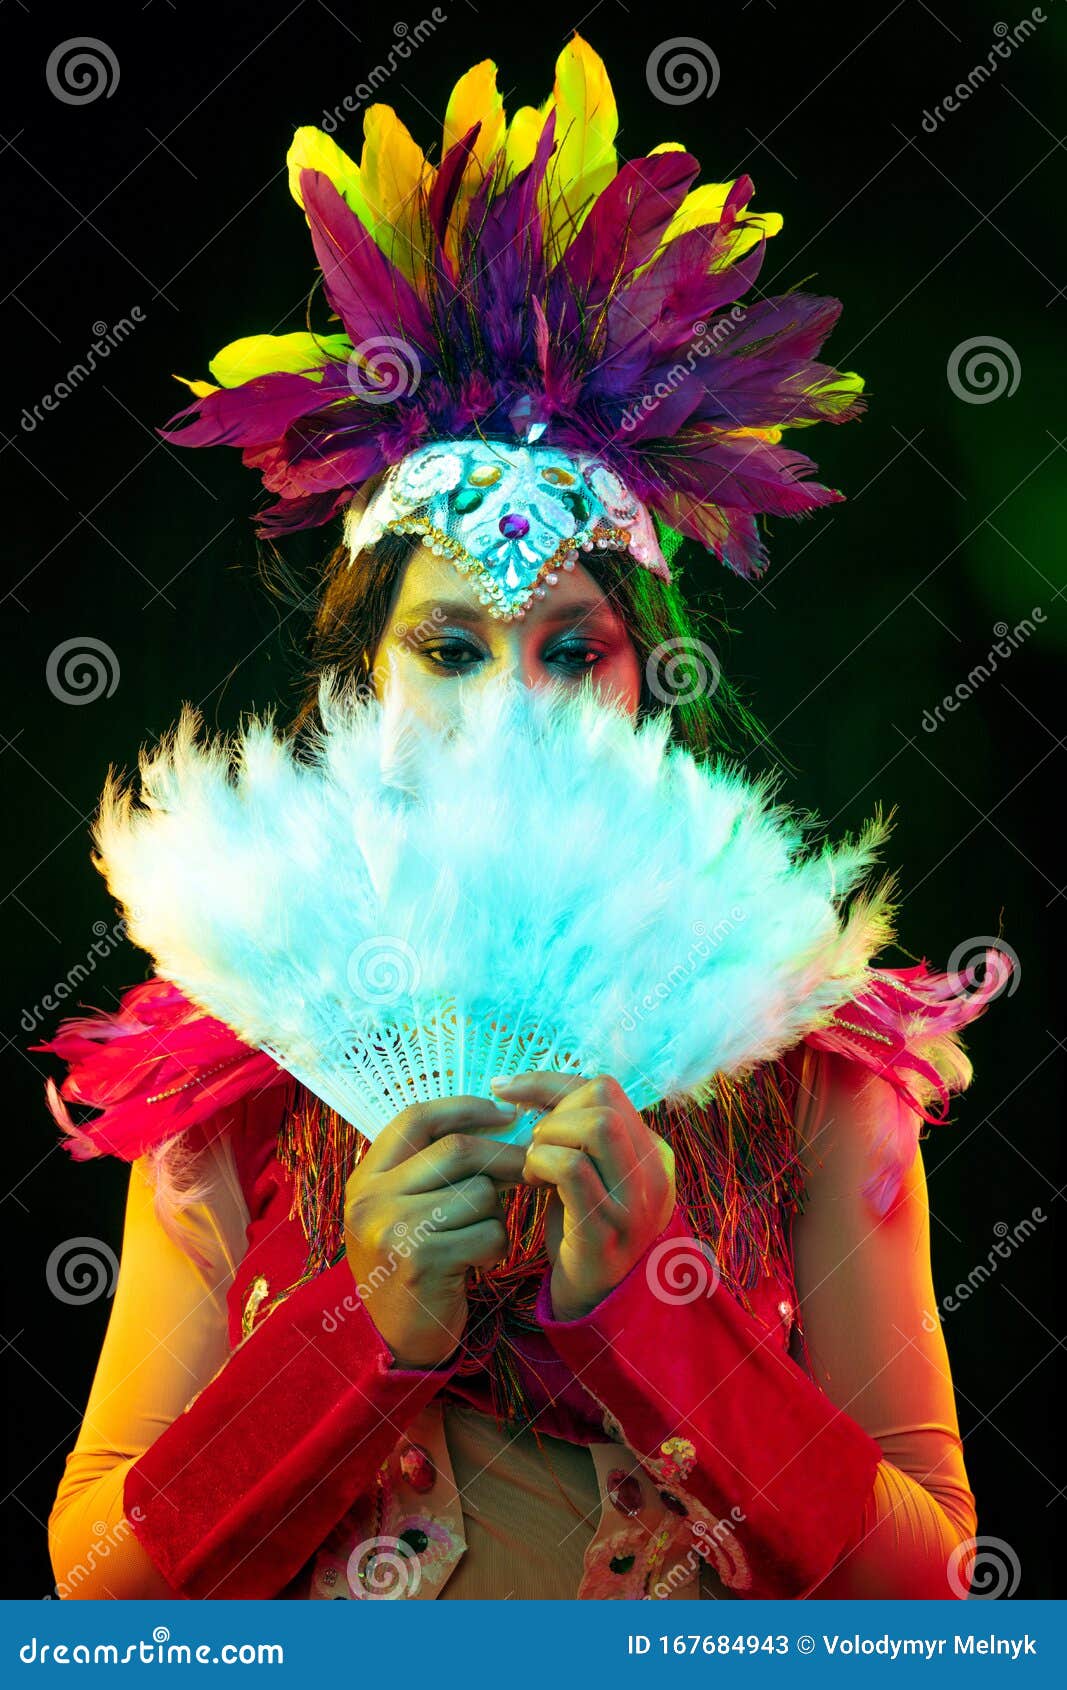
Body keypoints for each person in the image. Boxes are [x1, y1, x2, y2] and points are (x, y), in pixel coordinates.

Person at [39, 36, 1010, 1602]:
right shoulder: (226, 1072)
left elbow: (932, 1587)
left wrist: (636, 1308)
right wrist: (362, 1319)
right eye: (447, 650)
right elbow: (94, 1591)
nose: (506, 706)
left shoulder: (818, 1074)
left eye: (572, 649)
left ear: (653, 686)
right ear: (361, 681)